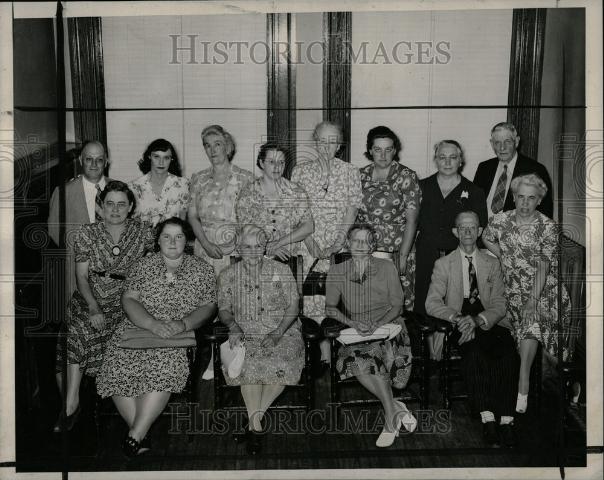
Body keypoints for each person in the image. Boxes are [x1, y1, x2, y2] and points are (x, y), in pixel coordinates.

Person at [96, 217, 216, 457]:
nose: (173, 242)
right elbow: (129, 299)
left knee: (163, 367)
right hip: (138, 328)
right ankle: (141, 432)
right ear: (157, 240)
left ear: (187, 241)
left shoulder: (202, 268)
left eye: (179, 236)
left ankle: (135, 435)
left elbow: (209, 305)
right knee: (116, 367)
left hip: (175, 333)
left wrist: (183, 323)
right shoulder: (142, 266)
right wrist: (151, 323)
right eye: (166, 236)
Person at [54, 181, 155, 432]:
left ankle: (71, 406)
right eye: (109, 204)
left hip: (126, 301)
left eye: (122, 204)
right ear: (100, 208)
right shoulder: (87, 233)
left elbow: (153, 271)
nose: (115, 209)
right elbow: (81, 276)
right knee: (77, 328)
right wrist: (93, 307)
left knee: (101, 333)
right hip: (90, 297)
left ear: (131, 207)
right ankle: (71, 402)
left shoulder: (143, 232)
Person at [426, 211, 519, 447]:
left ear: (479, 232)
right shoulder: (443, 264)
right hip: (459, 322)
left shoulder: (492, 263)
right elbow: (432, 302)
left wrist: (478, 320)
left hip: (490, 321)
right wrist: (458, 318)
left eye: (473, 228)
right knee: (474, 352)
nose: (467, 232)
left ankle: (507, 420)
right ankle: (487, 418)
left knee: (508, 352)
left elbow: (500, 303)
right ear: (455, 232)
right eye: (462, 228)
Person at [482, 173, 571, 414]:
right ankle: (537, 382)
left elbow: (543, 267)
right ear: (513, 197)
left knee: (531, 320)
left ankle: (524, 383)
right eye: (520, 197)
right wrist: (503, 255)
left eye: (531, 198)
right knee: (527, 323)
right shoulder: (500, 221)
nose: (524, 203)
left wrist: (532, 301)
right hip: (513, 290)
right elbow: (486, 237)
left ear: (539, 200)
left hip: (546, 290)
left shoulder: (548, 227)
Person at [325, 224, 416, 448]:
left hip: (389, 326)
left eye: (366, 241)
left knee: (373, 358)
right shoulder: (337, 271)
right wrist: (352, 323)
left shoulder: (386, 267)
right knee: (356, 360)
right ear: (348, 243)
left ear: (373, 245)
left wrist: (377, 324)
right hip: (357, 331)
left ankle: (392, 412)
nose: (360, 246)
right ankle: (392, 415)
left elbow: (397, 306)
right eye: (356, 240)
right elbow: (330, 308)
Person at [217, 224, 303, 455]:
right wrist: (233, 326)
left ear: (265, 246)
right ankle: (256, 427)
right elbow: (223, 309)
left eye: (258, 246)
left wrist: (277, 333)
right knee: (249, 364)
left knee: (283, 363)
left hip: (282, 330)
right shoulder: (228, 275)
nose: (253, 252)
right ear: (239, 247)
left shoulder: (281, 270)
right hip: (245, 330)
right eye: (247, 246)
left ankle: (252, 424)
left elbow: (293, 307)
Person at [291, 121, 363, 365]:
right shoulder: (300, 171)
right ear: (315, 141)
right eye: (322, 140)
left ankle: (328, 355)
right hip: (307, 244)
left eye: (333, 141)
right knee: (307, 299)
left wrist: (338, 241)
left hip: (338, 245)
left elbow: (352, 210)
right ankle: (308, 352)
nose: (327, 146)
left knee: (331, 299)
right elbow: (296, 210)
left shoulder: (351, 171)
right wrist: (309, 241)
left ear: (340, 145)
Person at [414, 140, 487, 360]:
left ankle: (445, 351)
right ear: (435, 159)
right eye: (442, 157)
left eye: (452, 157)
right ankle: (428, 354)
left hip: (457, 257)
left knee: (453, 303)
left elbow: (479, 230)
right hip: (427, 254)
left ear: (460, 160)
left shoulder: (473, 191)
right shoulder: (421, 186)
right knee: (425, 303)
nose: (447, 162)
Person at [357, 126, 421, 310]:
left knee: (396, 305)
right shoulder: (359, 176)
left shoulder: (406, 176)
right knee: (367, 302)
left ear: (395, 150)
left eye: (388, 149)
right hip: (365, 251)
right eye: (377, 149)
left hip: (397, 251)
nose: (383, 155)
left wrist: (402, 257)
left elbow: (412, 221)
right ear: (370, 150)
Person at [47, 140, 113, 302]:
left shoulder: (119, 189)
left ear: (106, 161)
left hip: (113, 270)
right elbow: (54, 231)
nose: (94, 164)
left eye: (99, 159)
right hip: (77, 271)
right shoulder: (64, 193)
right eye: (89, 159)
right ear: (81, 160)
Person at [188, 124, 253, 275]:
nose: (212, 150)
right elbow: (192, 216)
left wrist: (229, 247)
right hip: (204, 249)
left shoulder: (246, 178)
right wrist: (205, 244)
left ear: (227, 147)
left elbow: (251, 219)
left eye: (217, 144)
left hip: (236, 250)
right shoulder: (198, 179)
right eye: (207, 145)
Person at [236, 142, 314, 260]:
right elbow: (245, 231)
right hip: (255, 259)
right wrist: (267, 247)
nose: (277, 167)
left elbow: (308, 227)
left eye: (281, 162)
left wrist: (278, 243)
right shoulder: (248, 194)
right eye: (272, 162)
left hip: (289, 259)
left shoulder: (297, 192)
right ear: (262, 163)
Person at [474, 122, 553, 220]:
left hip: (516, 232)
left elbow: (544, 213)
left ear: (516, 141)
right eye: (497, 142)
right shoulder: (484, 168)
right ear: (492, 144)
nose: (502, 147)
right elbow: (474, 205)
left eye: (507, 141)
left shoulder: (535, 170)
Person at [128, 138, 190, 227]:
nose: (161, 162)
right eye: (156, 157)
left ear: (171, 159)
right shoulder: (133, 187)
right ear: (149, 157)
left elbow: (184, 223)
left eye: (166, 158)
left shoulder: (183, 185)